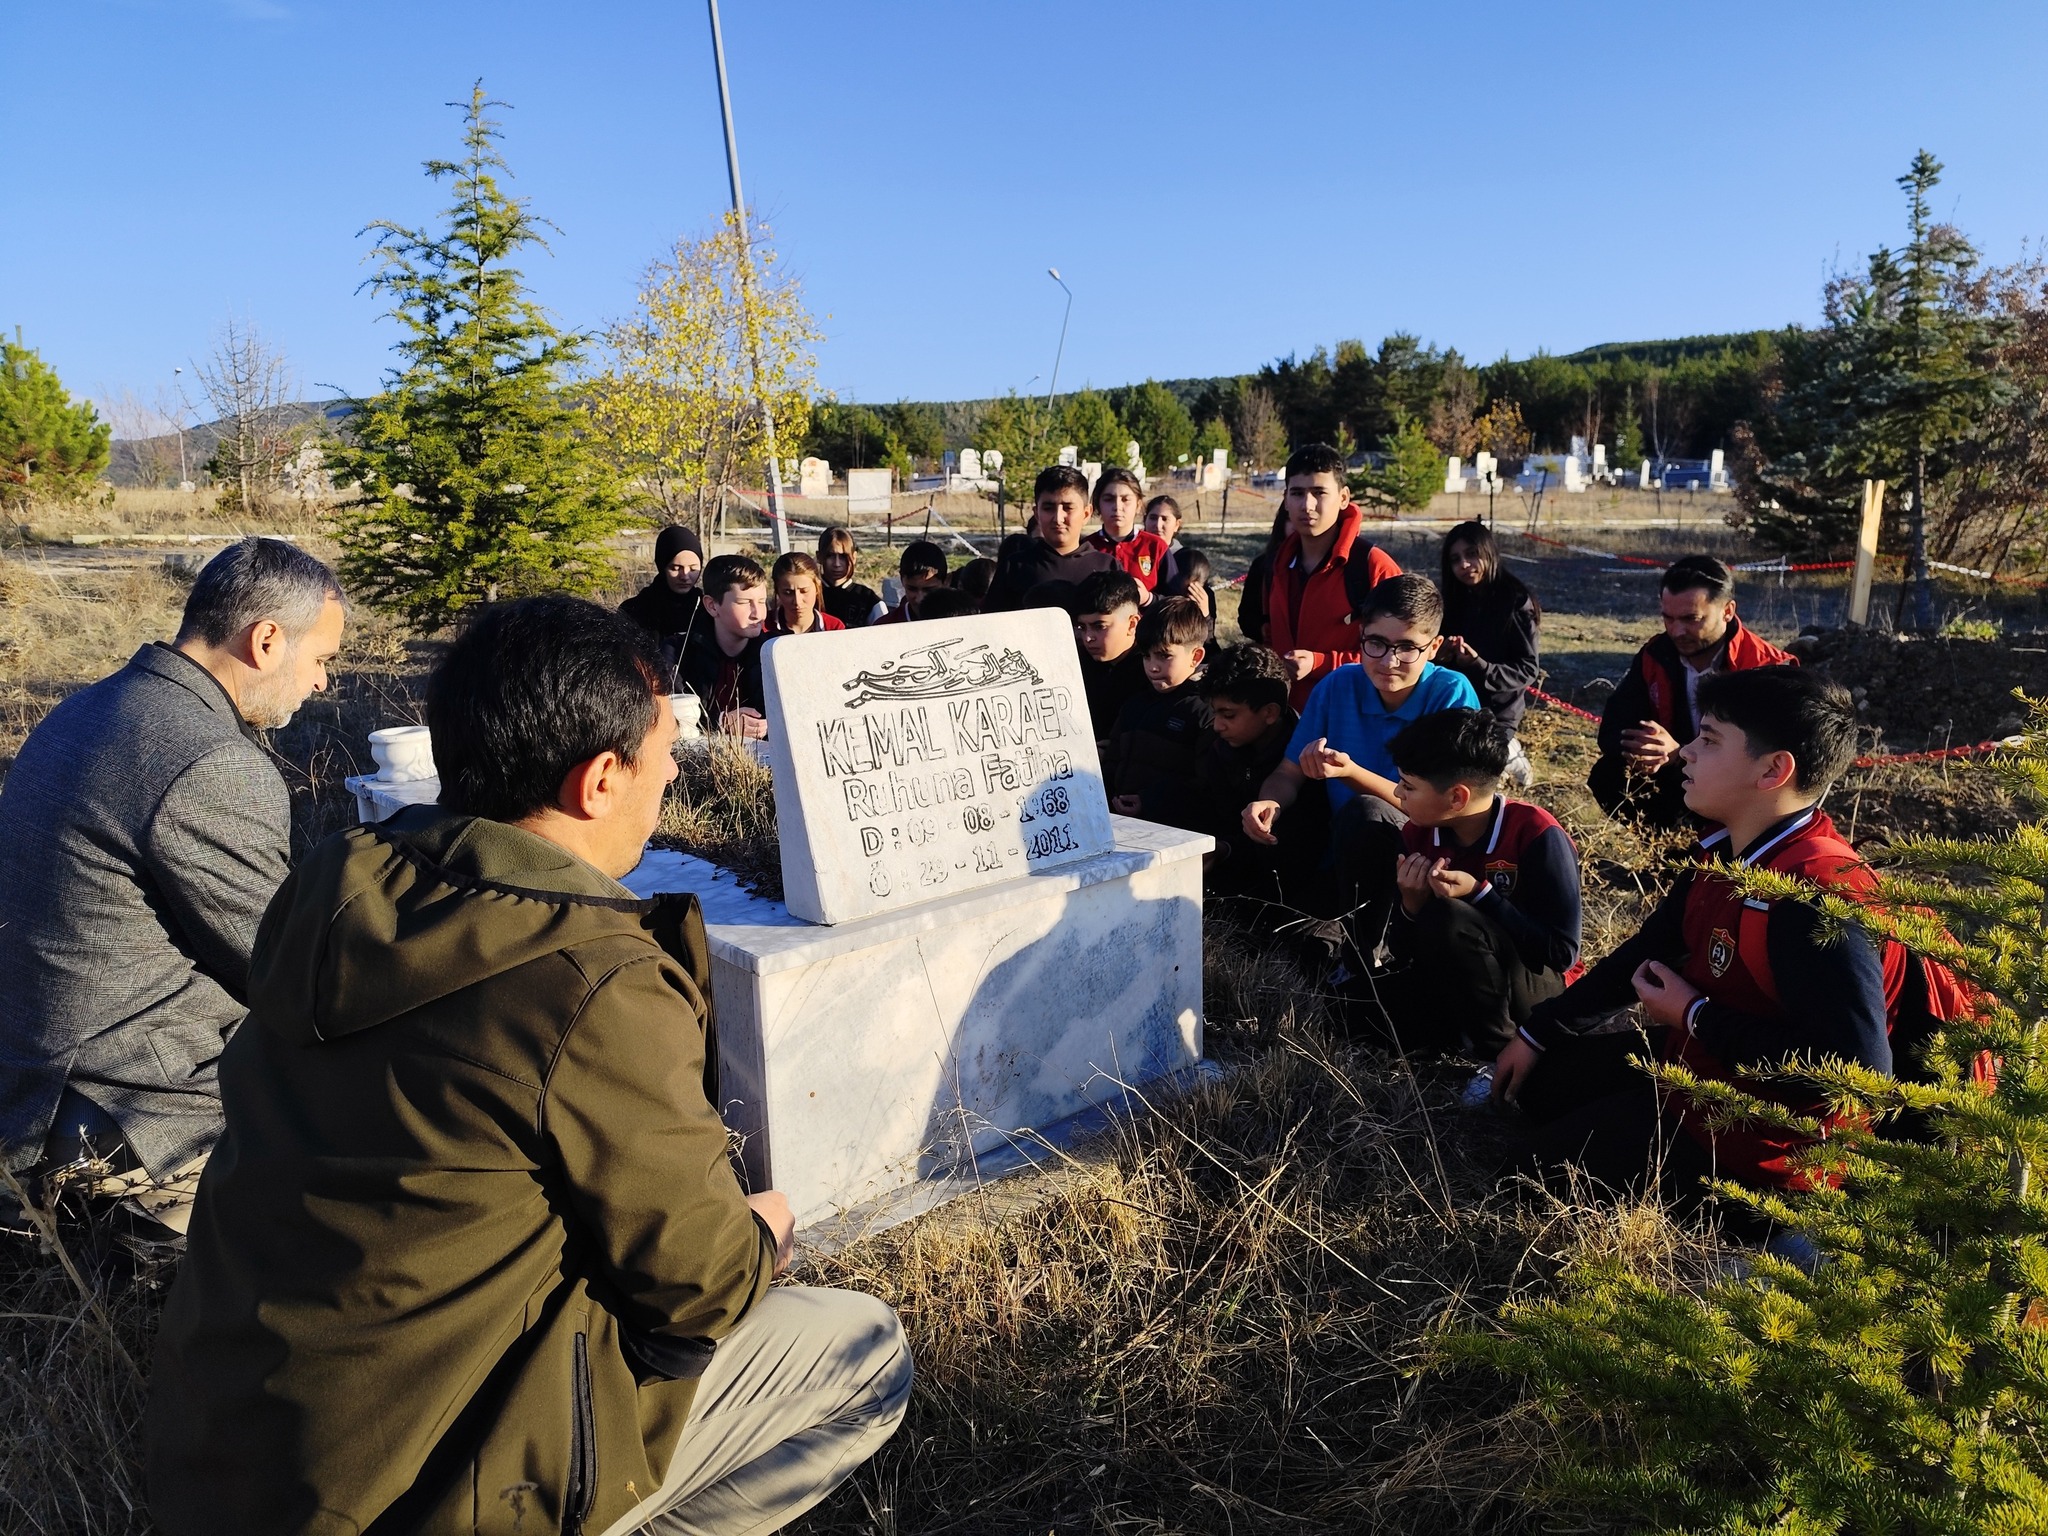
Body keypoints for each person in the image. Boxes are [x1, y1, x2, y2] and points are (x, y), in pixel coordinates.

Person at [146, 595, 910, 1536]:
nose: (671, 778)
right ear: (598, 781)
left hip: (227, 1462)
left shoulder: (333, 883)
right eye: (665, 761)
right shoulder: (593, 978)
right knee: (867, 1351)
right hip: (425, 1502)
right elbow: (697, 1291)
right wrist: (764, 1231)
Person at [0, 537, 346, 1237]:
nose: (322, 685)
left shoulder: (88, 708)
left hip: (35, 1086)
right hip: (126, 1116)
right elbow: (293, 975)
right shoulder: (209, 760)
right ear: (268, 640)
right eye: (322, 660)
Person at [1493, 667, 1890, 1209]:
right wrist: (1538, 1033)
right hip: (1704, 1065)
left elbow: (1856, 1075)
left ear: (1774, 769)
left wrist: (1696, 1014)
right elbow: (1646, 952)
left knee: (1521, 1177)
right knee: (1541, 1085)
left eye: (1708, 740)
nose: (1686, 754)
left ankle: (1782, 1233)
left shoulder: (1817, 896)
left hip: (1766, 1144)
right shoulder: (1727, 851)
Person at [1243, 576, 1479, 941]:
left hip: (1422, 857)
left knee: (1365, 812)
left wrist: (1351, 773)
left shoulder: (1451, 695)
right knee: (1281, 830)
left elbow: (1434, 809)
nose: (1389, 660)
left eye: (1406, 647)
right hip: (1340, 850)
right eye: (1377, 643)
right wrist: (1268, 801)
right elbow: (1287, 773)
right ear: (1361, 638)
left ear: (1433, 648)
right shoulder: (1338, 685)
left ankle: (1369, 948)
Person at [1364, 708, 1582, 1058]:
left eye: (1408, 786)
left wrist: (1481, 895)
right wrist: (1410, 906)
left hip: (1536, 990)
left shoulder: (1536, 833)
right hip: (1458, 980)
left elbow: (1561, 954)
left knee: (1450, 917)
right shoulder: (1416, 833)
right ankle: (1458, 1036)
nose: (1397, 793)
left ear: (1457, 797)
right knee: (1356, 1010)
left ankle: (1496, 1054)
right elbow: (1404, 952)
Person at [1591, 554, 1795, 830]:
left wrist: (1681, 752)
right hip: (1679, 778)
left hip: (1743, 793)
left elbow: (1771, 763)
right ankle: (1664, 853)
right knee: (1608, 775)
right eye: (1668, 618)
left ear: (1727, 611)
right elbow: (1613, 730)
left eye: (1691, 619)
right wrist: (1645, 749)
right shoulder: (1655, 655)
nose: (1676, 631)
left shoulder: (1766, 668)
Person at [1234, 443, 1403, 712]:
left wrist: (1320, 663)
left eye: (1319, 492)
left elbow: (1400, 658)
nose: (1307, 505)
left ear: (1344, 498)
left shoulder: (1373, 567)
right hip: (1284, 719)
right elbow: (1271, 640)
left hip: (1353, 719)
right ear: (1286, 499)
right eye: (1298, 493)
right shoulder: (1276, 567)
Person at [1192, 644, 1326, 906]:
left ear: (1270, 713)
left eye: (1228, 714)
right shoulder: (1216, 748)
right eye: (1215, 712)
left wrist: (1228, 850)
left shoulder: (1307, 763)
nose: (1218, 725)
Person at [1435, 521, 1541, 786]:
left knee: (1474, 773)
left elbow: (1528, 669)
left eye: (1472, 554)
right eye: (1455, 559)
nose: (1465, 565)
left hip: (1498, 710)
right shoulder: (1452, 600)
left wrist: (1480, 665)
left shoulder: (1514, 601)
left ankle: (1510, 753)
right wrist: (1440, 653)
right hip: (1455, 702)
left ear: (1489, 552)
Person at [1105, 598, 1212, 822]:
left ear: (1196, 656)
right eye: (1146, 656)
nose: (1152, 666)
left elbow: (1206, 784)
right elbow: (1113, 762)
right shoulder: (1134, 705)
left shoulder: (1205, 712)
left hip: (1175, 832)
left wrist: (1149, 802)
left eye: (1164, 656)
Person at [984, 465, 1116, 612]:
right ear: (1036, 513)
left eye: (1068, 508)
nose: (1058, 518)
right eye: (1048, 508)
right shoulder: (1015, 567)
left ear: (1086, 514)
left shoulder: (1107, 567)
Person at [667, 553, 769, 739]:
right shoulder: (678, 653)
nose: (757, 613)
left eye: (762, 602)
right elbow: (666, 715)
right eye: (744, 602)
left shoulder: (774, 653)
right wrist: (720, 722)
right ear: (712, 606)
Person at [1072, 569, 1149, 745]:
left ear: (1132, 623)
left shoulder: (1152, 673)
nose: (1088, 638)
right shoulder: (1077, 665)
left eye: (1099, 626)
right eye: (1082, 627)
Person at [1086, 466, 1171, 591]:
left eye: (1125, 499)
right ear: (1098, 504)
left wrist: (1149, 599)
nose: (1117, 506)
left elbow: (1176, 600)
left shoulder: (1156, 547)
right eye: (1109, 499)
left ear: (1138, 505)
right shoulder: (1086, 548)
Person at [620, 524, 706, 640]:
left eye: (693, 569)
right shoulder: (634, 610)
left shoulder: (708, 610)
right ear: (662, 566)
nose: (685, 576)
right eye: (676, 568)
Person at [817, 525, 882, 628]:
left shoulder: (868, 599)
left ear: (854, 557)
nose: (837, 564)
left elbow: (885, 634)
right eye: (830, 556)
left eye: (843, 557)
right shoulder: (808, 594)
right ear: (819, 557)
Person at [768, 550, 846, 635]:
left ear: (817, 587)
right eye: (788, 593)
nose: (797, 601)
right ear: (777, 591)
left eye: (804, 591)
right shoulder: (762, 628)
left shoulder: (834, 628)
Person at [873, 540, 950, 625]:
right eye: (912, 589)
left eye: (929, 590)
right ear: (902, 580)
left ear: (946, 582)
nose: (919, 599)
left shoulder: (958, 621)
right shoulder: (885, 627)